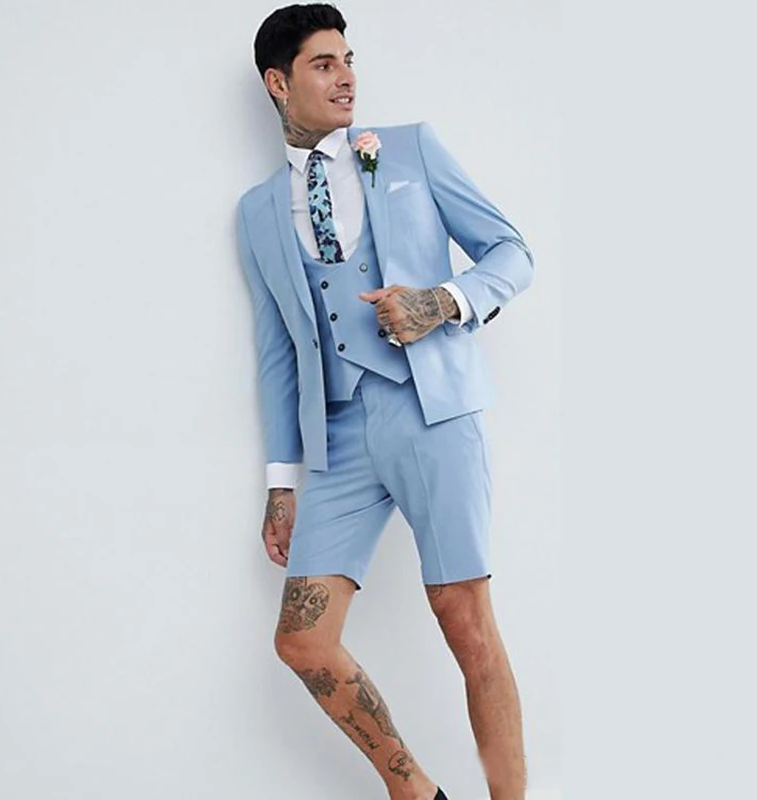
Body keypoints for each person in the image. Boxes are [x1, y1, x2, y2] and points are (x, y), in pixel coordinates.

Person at [235, 4, 534, 798]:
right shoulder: (258, 212)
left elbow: (512, 253)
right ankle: (417, 792)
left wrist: (442, 301)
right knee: (302, 641)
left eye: (349, 60)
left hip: (431, 413)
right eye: (323, 64)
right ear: (278, 83)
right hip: (337, 442)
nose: (347, 77)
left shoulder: (409, 150)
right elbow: (277, 352)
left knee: (465, 622)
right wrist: (282, 482)